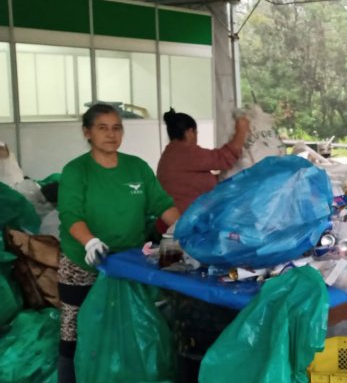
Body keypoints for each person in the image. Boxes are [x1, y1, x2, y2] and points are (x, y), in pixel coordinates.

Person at [57, 103, 180, 382]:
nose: (111, 135)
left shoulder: (136, 167)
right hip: (83, 262)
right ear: (87, 132)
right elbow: (70, 214)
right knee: (74, 330)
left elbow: (162, 204)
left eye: (117, 128)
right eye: (102, 128)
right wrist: (89, 242)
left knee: (127, 326)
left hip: (127, 264)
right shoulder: (77, 171)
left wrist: (182, 229)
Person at [157, 108, 250, 213]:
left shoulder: (171, 153)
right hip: (187, 218)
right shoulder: (185, 152)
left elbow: (192, 180)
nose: (197, 137)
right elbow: (224, 157)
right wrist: (241, 131)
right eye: (196, 133)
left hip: (184, 215)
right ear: (189, 132)